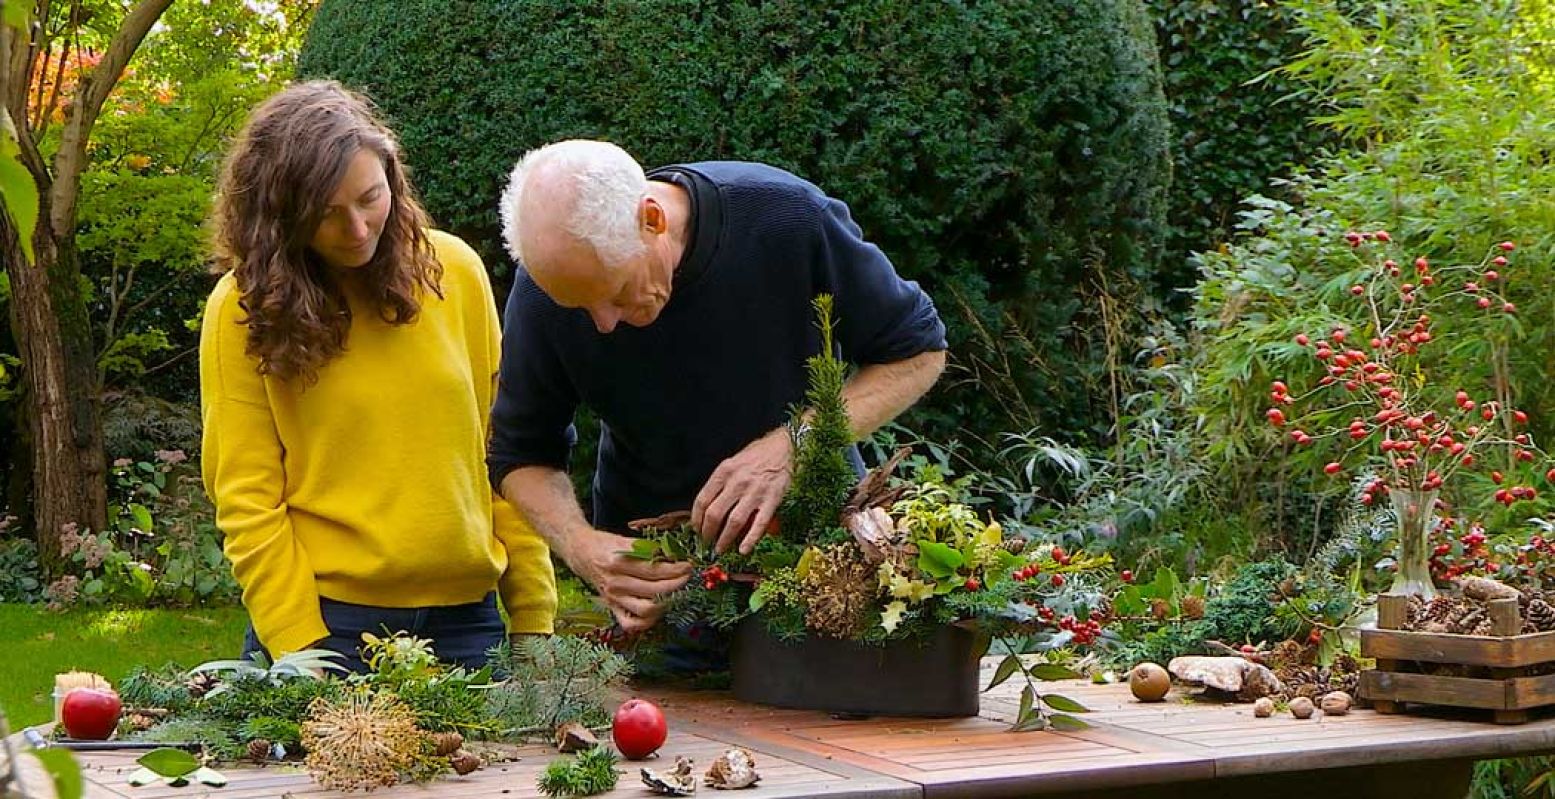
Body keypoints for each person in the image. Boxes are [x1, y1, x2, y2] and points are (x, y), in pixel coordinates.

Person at [488, 140, 947, 637]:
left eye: (617, 292)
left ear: (652, 219)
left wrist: (795, 444)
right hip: (660, 601)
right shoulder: (546, 287)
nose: (603, 324)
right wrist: (581, 545)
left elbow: (918, 350)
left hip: (821, 581)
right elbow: (519, 452)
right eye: (579, 306)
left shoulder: (785, 219)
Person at [200, 81, 556, 672]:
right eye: (326, 214)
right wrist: (298, 646)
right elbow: (246, 497)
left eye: (370, 197)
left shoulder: (456, 274)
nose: (358, 228)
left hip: (469, 626)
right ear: (281, 217)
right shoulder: (242, 308)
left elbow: (506, 456)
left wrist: (534, 617)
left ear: (392, 173)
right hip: (329, 629)